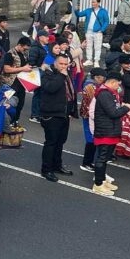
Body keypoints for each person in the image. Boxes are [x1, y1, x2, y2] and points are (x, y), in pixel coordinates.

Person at [91, 71, 130, 195]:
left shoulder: (110, 93)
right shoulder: (105, 94)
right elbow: (113, 113)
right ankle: (98, 184)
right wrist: (126, 108)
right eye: (118, 85)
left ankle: (102, 180)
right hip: (105, 131)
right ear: (112, 82)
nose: (119, 87)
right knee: (102, 158)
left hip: (111, 130)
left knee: (105, 158)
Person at [39, 52, 75, 182]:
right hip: (51, 114)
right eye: (61, 63)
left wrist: (72, 111)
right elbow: (51, 88)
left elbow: (71, 92)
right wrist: (61, 75)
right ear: (55, 63)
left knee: (60, 142)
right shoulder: (48, 73)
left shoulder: (66, 74)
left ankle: (57, 165)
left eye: (66, 64)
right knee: (51, 142)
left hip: (64, 113)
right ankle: (46, 169)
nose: (63, 66)